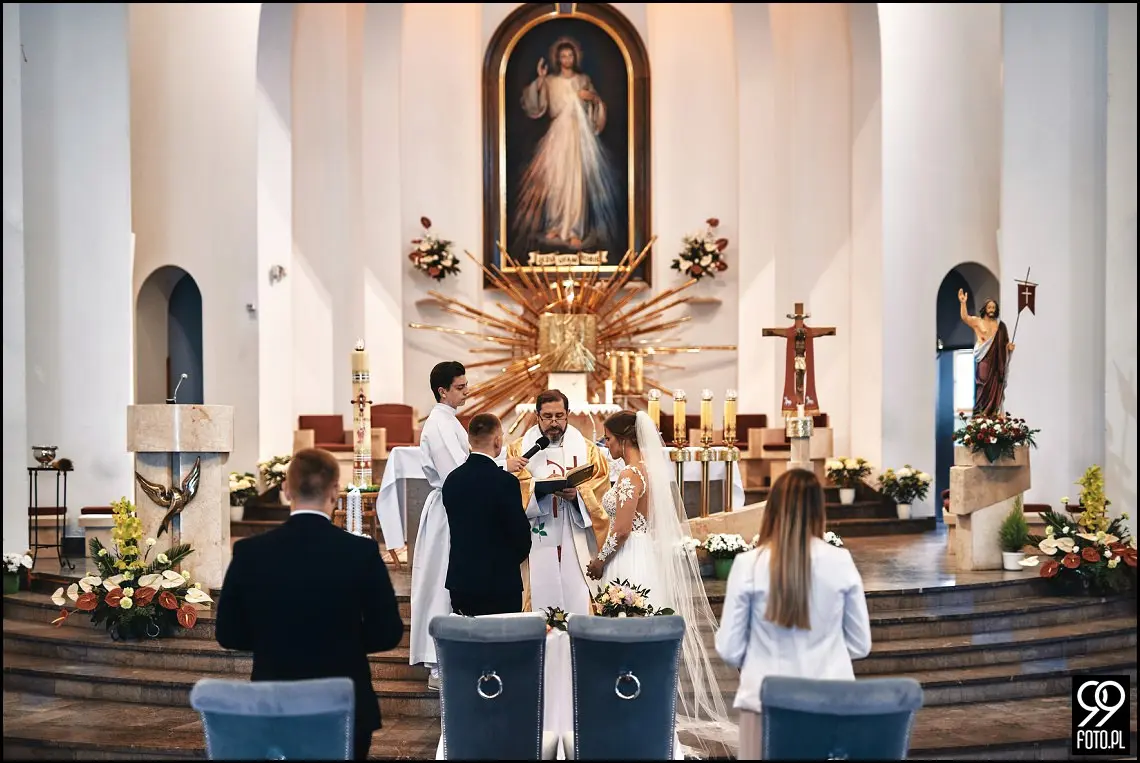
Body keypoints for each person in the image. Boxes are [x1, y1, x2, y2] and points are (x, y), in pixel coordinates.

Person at [216, 448, 403, 761]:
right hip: (344, 702)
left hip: (274, 700)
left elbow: (228, 633)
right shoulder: (360, 552)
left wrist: (273, 640)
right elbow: (388, 632)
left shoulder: (251, 552)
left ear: (286, 490)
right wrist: (344, 642)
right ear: (335, 490)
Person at [588, 410, 737, 754]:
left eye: (608, 439)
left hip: (627, 557)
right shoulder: (650, 471)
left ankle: (626, 712)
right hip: (644, 554)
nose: (607, 445)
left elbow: (621, 530)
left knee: (625, 634)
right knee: (643, 635)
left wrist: (600, 561)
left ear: (623, 439)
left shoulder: (630, 474)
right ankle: (645, 713)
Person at [715, 468, 872, 760]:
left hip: (765, 701)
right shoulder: (840, 561)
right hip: (830, 699)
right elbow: (860, 644)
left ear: (772, 508)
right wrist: (824, 655)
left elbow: (729, 648)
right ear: (818, 509)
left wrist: (762, 657)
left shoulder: (749, 564)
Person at [410, 361, 528, 689]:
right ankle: (438, 664)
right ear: (442, 391)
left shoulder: (449, 420)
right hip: (450, 512)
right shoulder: (438, 424)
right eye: (460, 387)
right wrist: (503, 466)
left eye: (466, 385)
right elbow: (457, 474)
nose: (467, 392)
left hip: (460, 507)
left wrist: (501, 464)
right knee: (441, 585)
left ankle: (452, 660)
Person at [504, 389, 611, 614]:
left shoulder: (588, 450)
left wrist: (578, 495)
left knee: (576, 591)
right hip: (537, 529)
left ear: (567, 414)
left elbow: (600, 486)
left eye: (559, 416)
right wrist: (538, 490)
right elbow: (511, 487)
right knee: (540, 590)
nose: (554, 423)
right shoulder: (519, 449)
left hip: (575, 529)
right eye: (548, 416)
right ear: (537, 416)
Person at [515, 37, 620, 251]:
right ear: (558, 59)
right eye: (563, 56)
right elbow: (536, 103)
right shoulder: (551, 81)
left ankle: (574, 230)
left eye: (570, 55)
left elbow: (596, 104)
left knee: (575, 181)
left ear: (575, 57)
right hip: (558, 135)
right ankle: (555, 224)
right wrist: (541, 80)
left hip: (577, 135)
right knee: (556, 180)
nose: (567, 59)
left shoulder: (583, 80)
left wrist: (591, 99)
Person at [443, 413, 532, 616]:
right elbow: (520, 536)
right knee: (501, 636)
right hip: (500, 584)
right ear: (498, 441)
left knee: (467, 635)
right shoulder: (506, 482)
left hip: (462, 581)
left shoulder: (452, 480)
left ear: (469, 440)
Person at [958, 289, 1015, 416]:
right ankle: (980, 413)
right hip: (984, 359)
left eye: (994, 307)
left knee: (996, 385)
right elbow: (965, 317)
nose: (991, 310)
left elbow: (1004, 343)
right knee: (982, 384)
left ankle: (993, 413)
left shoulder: (1000, 326)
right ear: (985, 308)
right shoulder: (978, 322)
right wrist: (963, 303)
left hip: (996, 362)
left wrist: (1008, 347)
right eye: (989, 307)